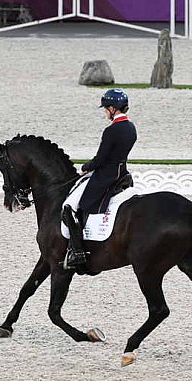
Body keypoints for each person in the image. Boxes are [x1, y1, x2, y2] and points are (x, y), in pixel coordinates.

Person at [62, 88, 137, 270]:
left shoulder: (111, 130)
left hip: (106, 175)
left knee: (72, 207)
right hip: (123, 173)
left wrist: (86, 167)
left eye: (105, 108)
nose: (104, 112)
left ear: (112, 108)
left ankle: (77, 252)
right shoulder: (130, 127)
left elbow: (101, 158)